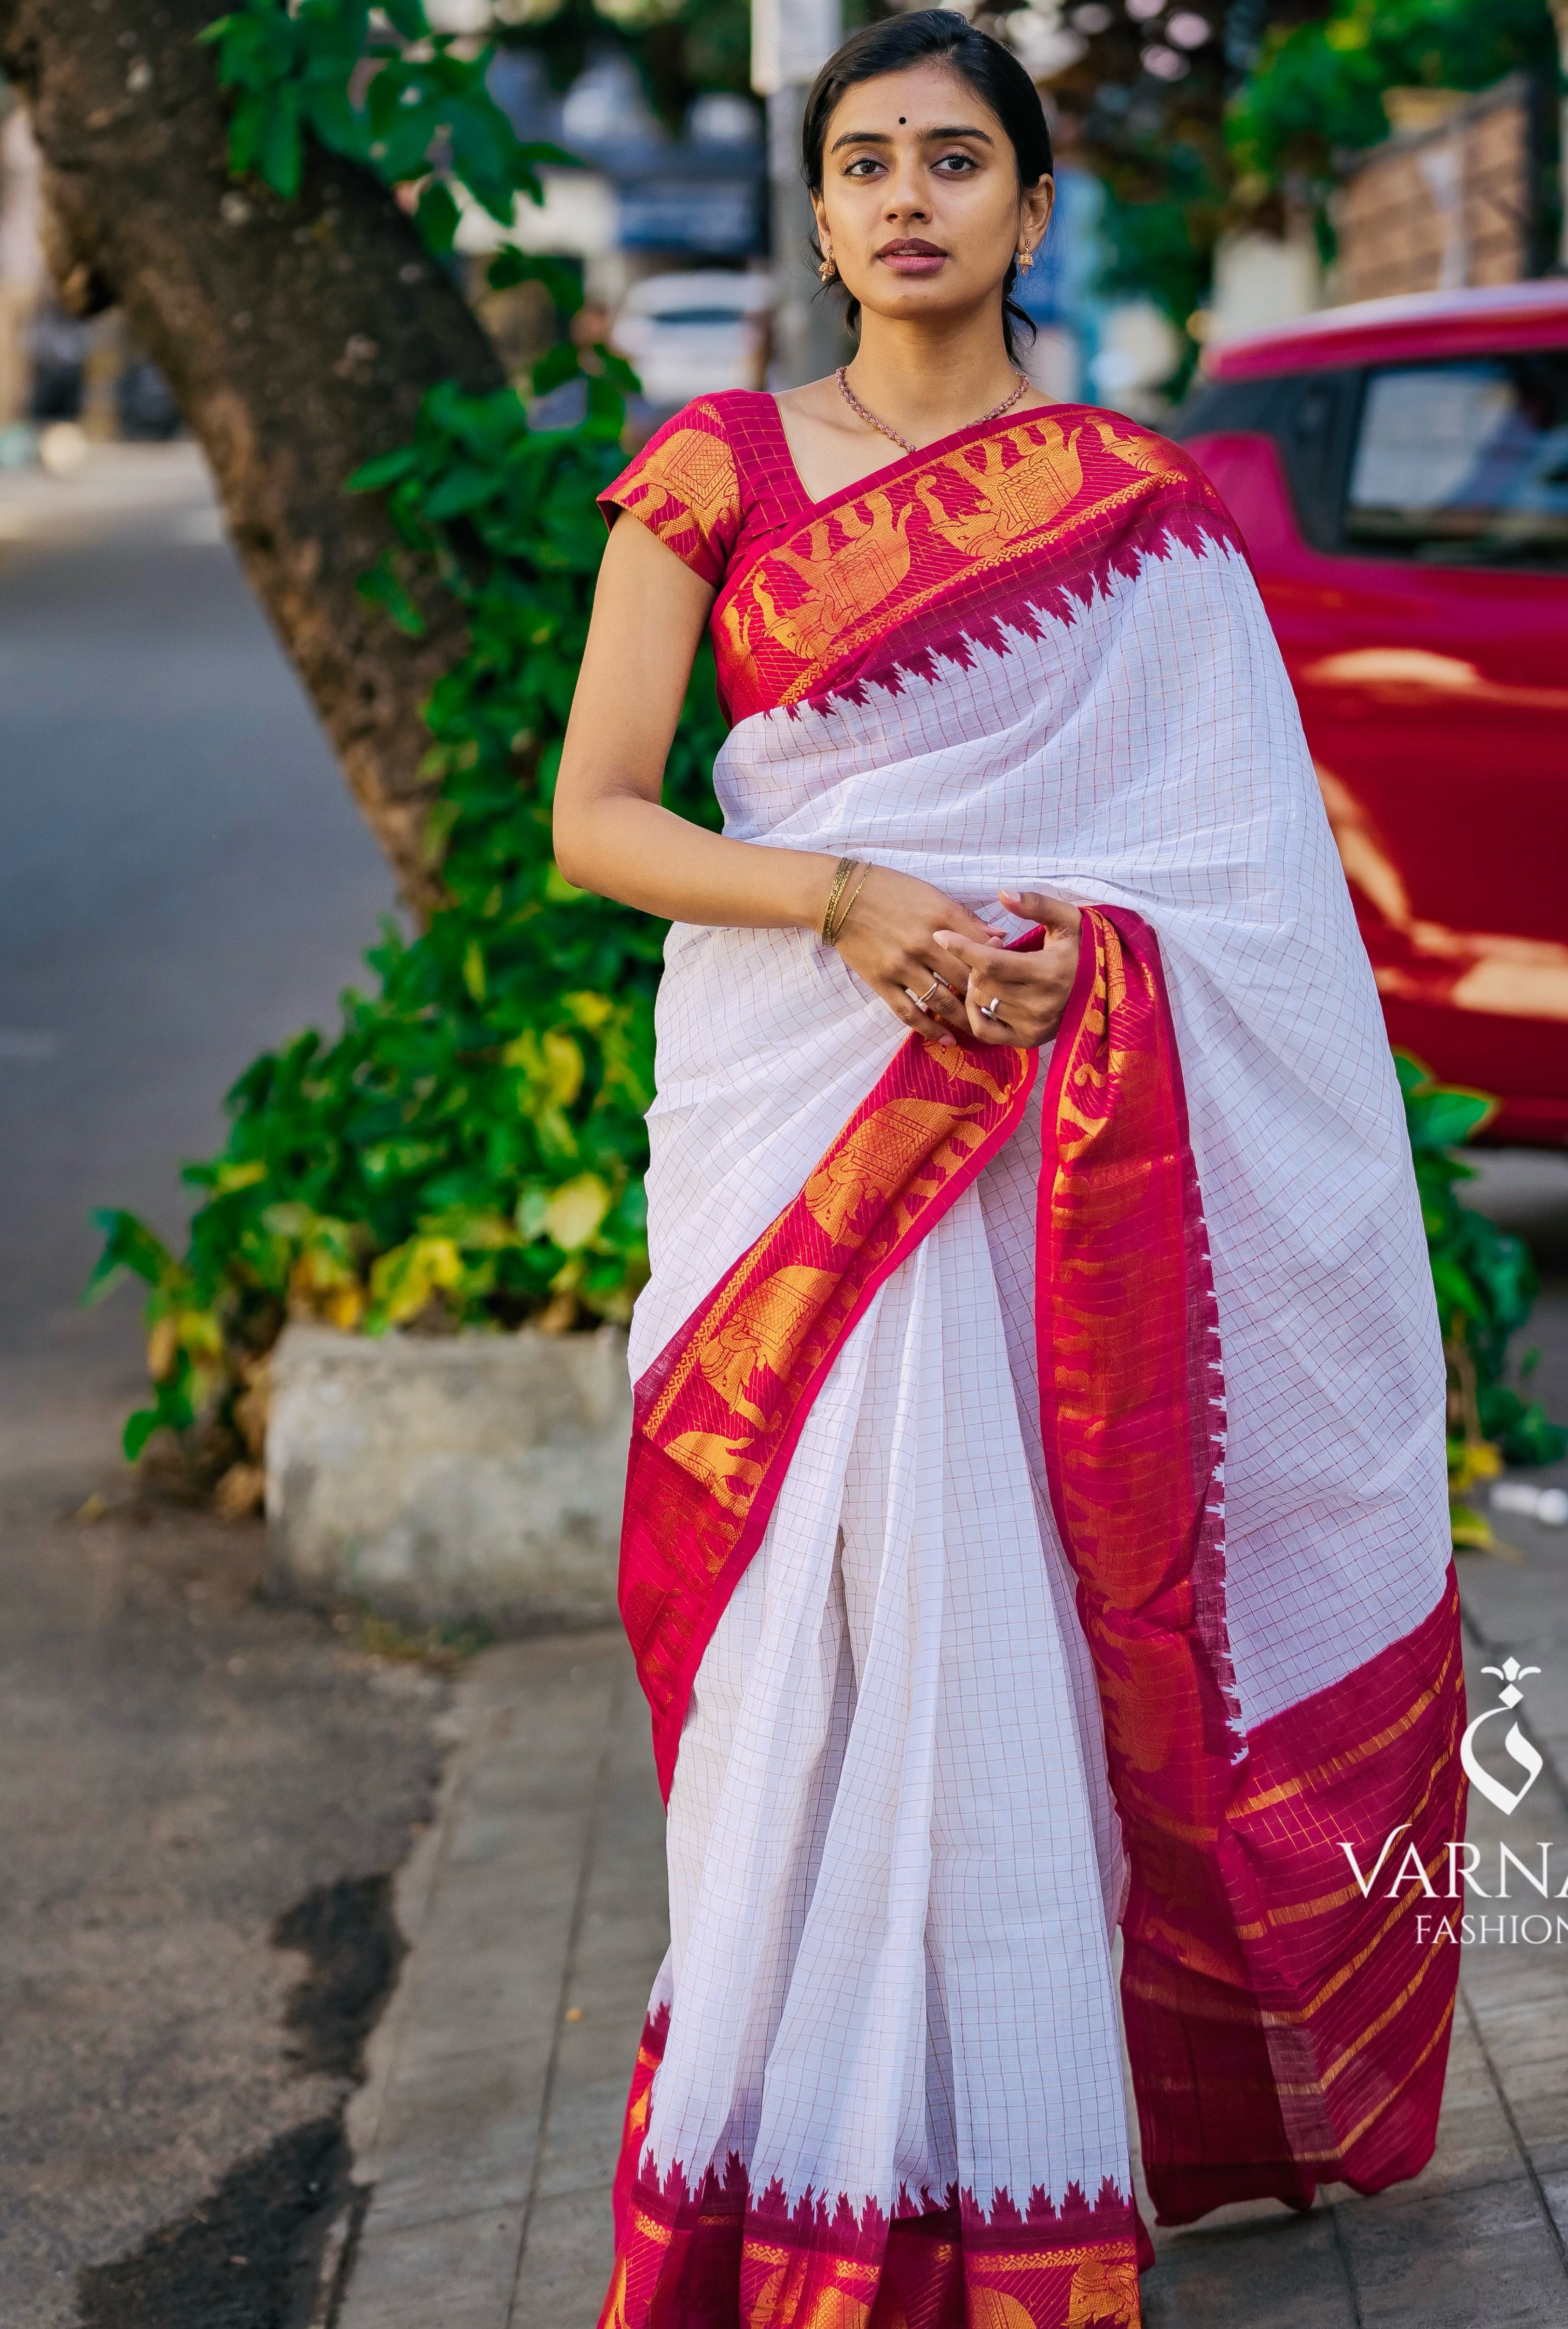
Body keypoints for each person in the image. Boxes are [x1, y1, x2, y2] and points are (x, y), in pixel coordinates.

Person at [553, 15, 1466, 2327]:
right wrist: (847, 902)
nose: (906, 199)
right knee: (816, 1645)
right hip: (805, 1139)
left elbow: (1240, 875)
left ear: (1030, 210)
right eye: (863, 162)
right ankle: (788, 2140)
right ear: (823, 205)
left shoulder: (1133, 506)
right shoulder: (715, 466)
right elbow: (598, 818)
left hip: (1052, 1155)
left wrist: (1090, 968)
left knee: (1017, 1643)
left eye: (956, 160)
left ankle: (1026, 2151)